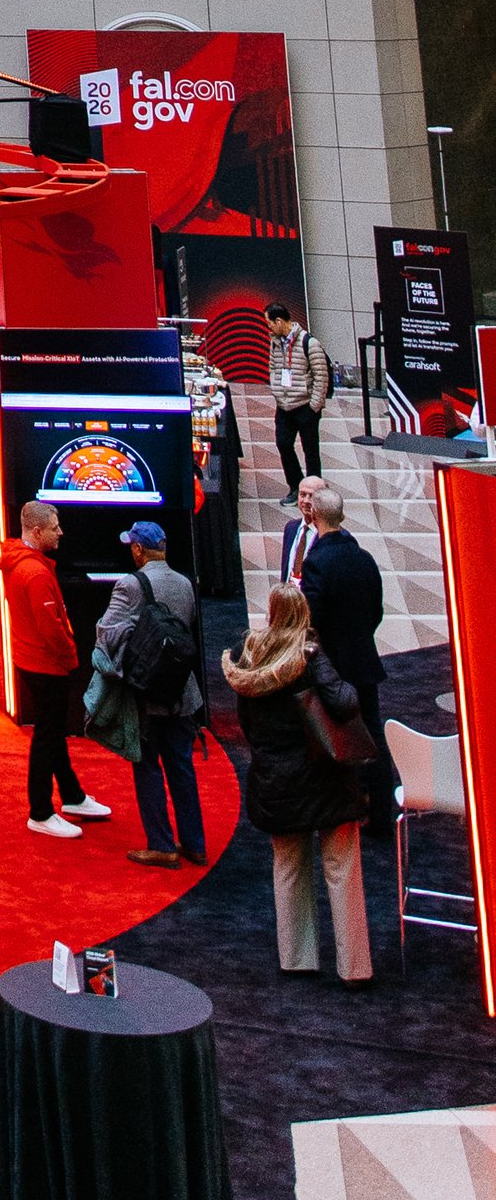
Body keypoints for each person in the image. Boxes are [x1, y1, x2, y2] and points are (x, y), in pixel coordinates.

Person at [224, 584, 373, 985]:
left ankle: (296, 958)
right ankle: (353, 966)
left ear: (271, 613)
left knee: (288, 867)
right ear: (303, 613)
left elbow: (248, 724)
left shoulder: (248, 658)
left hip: (276, 779)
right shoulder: (310, 656)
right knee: (341, 867)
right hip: (325, 777)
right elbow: (344, 702)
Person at [96, 519, 207, 869]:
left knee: (146, 767)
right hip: (183, 693)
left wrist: (134, 628)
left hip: (146, 694)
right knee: (182, 768)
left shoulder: (130, 584)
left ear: (138, 549)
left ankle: (161, 844)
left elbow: (106, 633)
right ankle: (195, 844)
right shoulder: (185, 583)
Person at [0, 498, 112, 838]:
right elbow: (52, 630)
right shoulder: (34, 574)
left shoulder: (22, 563)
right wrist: (71, 657)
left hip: (31, 659)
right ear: (36, 531)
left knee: (52, 731)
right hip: (46, 665)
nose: (61, 532)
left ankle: (72, 796)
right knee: (47, 736)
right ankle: (40, 811)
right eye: (54, 528)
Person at [298, 484, 392, 837]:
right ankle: (381, 812)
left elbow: (311, 617)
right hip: (365, 661)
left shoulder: (317, 563)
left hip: (332, 668)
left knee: (329, 738)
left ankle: (338, 811)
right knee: (372, 735)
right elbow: (377, 610)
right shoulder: (364, 558)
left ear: (315, 516)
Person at [269, 303, 331, 492]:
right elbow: (273, 367)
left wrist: (314, 406)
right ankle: (296, 487)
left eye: (269, 323)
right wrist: (277, 392)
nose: (269, 328)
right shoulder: (275, 342)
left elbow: (321, 376)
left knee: (310, 452)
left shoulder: (309, 343)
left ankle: (315, 491)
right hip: (284, 406)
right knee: (283, 444)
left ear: (279, 321)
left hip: (305, 407)